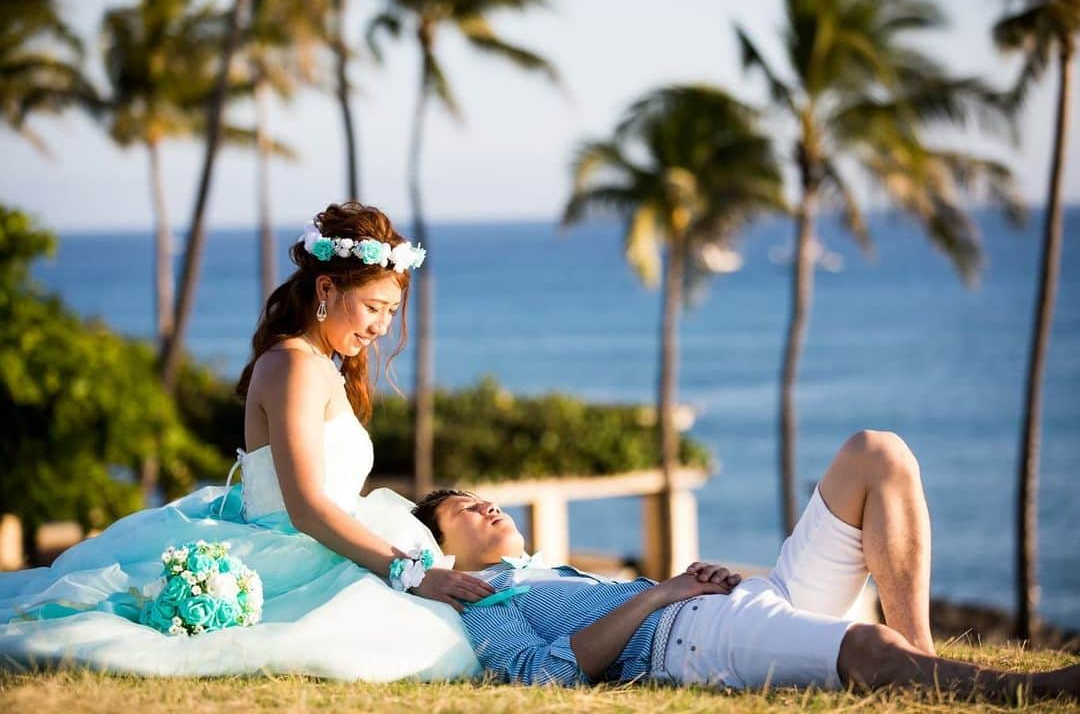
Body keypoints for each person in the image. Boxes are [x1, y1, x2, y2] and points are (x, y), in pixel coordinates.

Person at [0, 202, 492, 680]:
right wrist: (409, 573)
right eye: (374, 308)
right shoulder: (295, 367)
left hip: (326, 539)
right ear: (327, 288)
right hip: (294, 550)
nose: (382, 326)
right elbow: (304, 507)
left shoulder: (319, 365)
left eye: (391, 311)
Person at [413, 430, 1080, 699]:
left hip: (744, 602)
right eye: (466, 510)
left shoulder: (548, 571)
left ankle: (926, 662)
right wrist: (660, 595)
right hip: (692, 640)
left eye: (485, 497)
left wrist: (683, 588)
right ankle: (1044, 693)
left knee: (878, 455)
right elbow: (545, 675)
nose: (488, 506)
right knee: (866, 646)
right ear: (447, 551)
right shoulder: (483, 597)